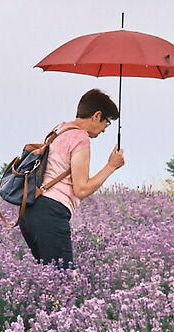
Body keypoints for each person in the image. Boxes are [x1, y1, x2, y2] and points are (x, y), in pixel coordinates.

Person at [20, 88, 126, 267]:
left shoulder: (59, 129)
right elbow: (82, 189)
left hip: (29, 211)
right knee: (63, 281)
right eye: (106, 123)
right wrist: (111, 166)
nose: (104, 130)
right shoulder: (80, 138)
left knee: (47, 278)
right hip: (51, 213)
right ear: (96, 115)